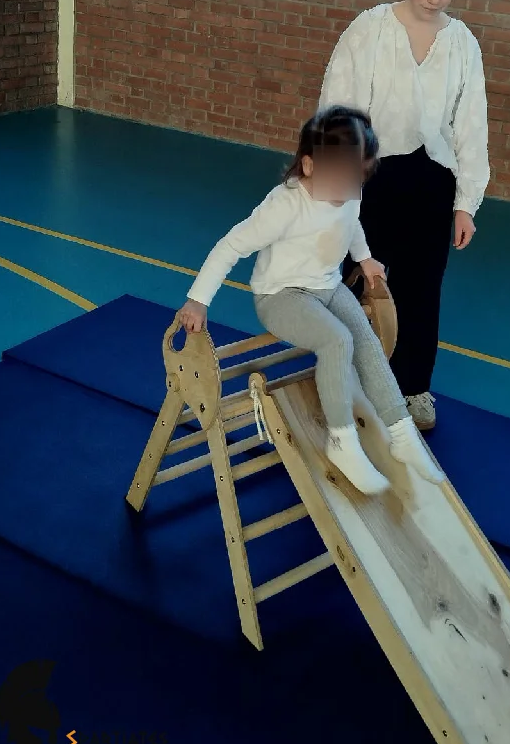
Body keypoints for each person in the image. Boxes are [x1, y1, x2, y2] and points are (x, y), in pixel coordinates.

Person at [177, 105, 444, 496]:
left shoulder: (348, 192)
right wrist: (198, 300)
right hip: (281, 295)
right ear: (309, 165)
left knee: (365, 339)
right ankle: (341, 442)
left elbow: (351, 223)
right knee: (338, 341)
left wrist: (365, 257)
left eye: (356, 178)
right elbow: (231, 246)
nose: (347, 191)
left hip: (327, 286)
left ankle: (402, 433)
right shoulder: (285, 205)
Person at [320, 0, 489, 433]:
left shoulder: (462, 44)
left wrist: (466, 203)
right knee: (359, 281)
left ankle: (413, 387)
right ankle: (346, 378)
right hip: (372, 175)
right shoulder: (369, 31)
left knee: (421, 288)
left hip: (432, 181)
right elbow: (338, 108)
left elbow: (471, 124)